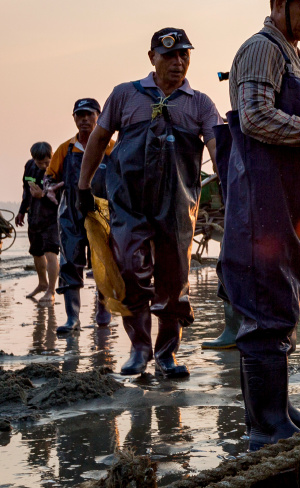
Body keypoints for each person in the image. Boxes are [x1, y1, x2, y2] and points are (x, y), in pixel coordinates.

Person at [218, 0, 300, 448]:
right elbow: (255, 118)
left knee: (284, 303)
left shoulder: (293, 55)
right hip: (260, 205)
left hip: (287, 204)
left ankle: (278, 409)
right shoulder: (262, 49)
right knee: (265, 309)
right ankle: (265, 426)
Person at [76, 28, 222, 377]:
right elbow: (98, 140)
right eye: (169, 55)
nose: (178, 62)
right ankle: (140, 349)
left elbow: (219, 150)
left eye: (185, 55)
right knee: (128, 270)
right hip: (128, 204)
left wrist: (231, 183)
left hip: (177, 208)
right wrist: (83, 187)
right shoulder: (125, 95)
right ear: (151, 57)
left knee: (175, 280)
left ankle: (167, 354)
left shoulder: (200, 103)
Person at [45, 98, 116, 334]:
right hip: (71, 216)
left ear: (99, 116)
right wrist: (48, 190)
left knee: (103, 265)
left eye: (89, 114)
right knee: (70, 265)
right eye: (80, 115)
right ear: (74, 118)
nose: (84, 119)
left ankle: (103, 312)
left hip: (103, 216)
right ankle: (72, 318)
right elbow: (49, 177)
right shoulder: (66, 148)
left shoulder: (111, 147)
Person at [17, 141, 60, 305]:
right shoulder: (29, 166)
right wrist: (22, 211)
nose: (44, 165)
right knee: (36, 252)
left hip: (52, 218)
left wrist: (42, 195)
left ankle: (51, 290)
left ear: (52, 156)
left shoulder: (57, 168)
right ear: (33, 159)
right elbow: (26, 190)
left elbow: (62, 195)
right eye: (40, 162)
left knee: (51, 252)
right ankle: (42, 284)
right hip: (34, 217)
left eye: (47, 162)